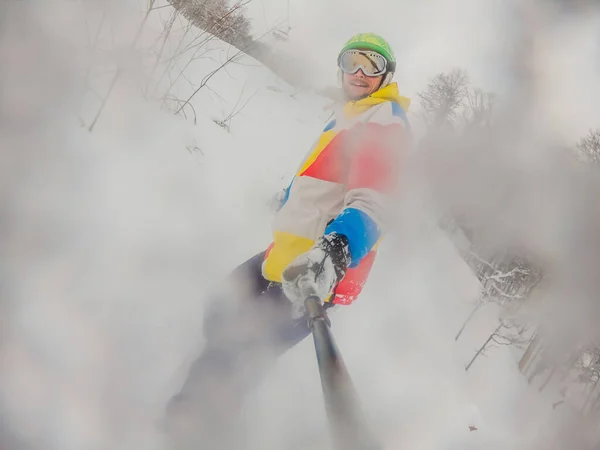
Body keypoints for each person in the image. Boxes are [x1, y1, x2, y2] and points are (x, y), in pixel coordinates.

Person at [164, 32, 411, 449]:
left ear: (387, 74)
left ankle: (190, 427)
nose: (359, 72)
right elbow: (324, 182)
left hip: (315, 273)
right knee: (223, 311)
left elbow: (376, 202)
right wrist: (287, 200)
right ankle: (212, 401)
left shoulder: (384, 119)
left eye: (371, 65)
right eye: (352, 61)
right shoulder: (350, 114)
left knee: (238, 347)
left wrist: (336, 250)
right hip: (286, 255)